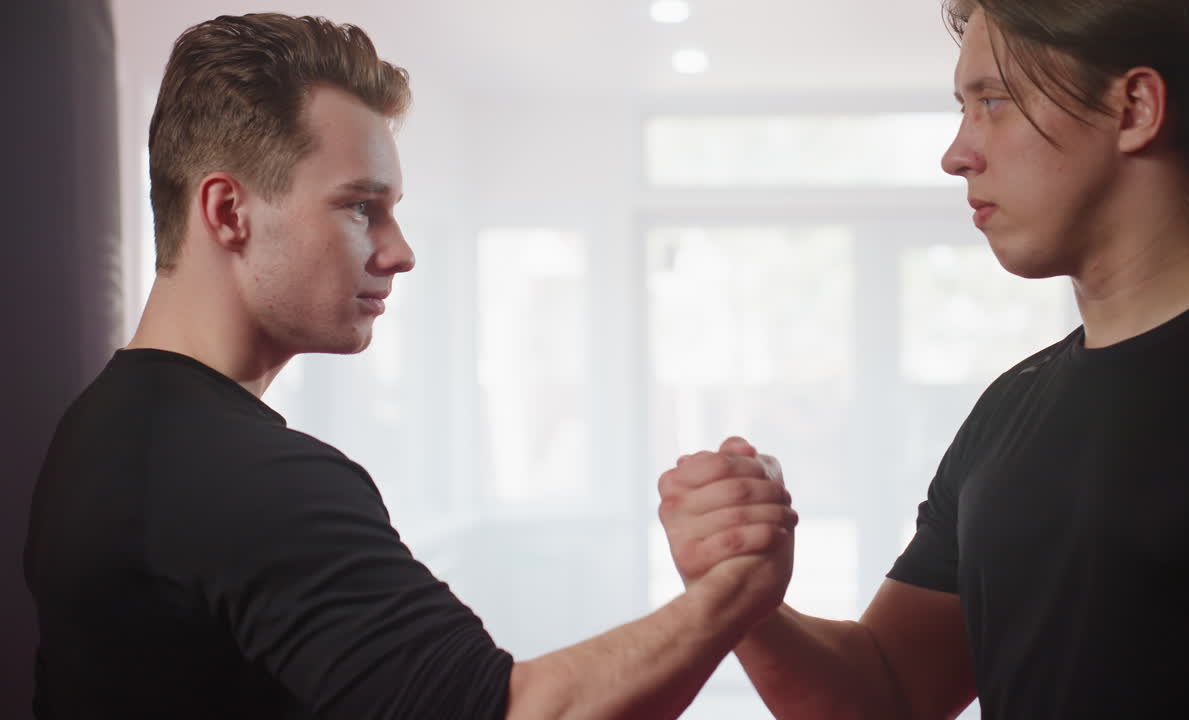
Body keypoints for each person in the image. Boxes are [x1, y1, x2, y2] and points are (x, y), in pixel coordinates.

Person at [23, 13, 796, 719]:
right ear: (230, 213)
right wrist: (736, 593)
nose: (400, 252)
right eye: (361, 207)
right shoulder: (241, 476)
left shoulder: (102, 428)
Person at [658, 0, 1189, 718]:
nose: (956, 154)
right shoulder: (1013, 406)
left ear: (1135, 108)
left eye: (994, 102)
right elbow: (889, 693)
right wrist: (738, 596)